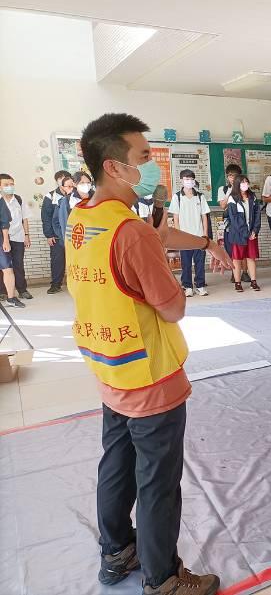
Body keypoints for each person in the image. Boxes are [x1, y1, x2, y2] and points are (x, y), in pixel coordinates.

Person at [69, 113, 231, 595]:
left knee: (115, 461)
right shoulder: (133, 233)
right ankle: (164, 579)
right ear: (116, 167)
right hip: (150, 376)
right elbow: (172, 307)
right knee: (158, 482)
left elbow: (150, 238)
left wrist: (206, 243)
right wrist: (168, 263)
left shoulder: (86, 218)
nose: (150, 166)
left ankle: (117, 552)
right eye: (143, 157)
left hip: (109, 366)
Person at [169, 170, 211, 297]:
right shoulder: (177, 197)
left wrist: (205, 234)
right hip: (184, 237)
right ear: (181, 180)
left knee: (200, 263)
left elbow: (204, 216)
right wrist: (178, 235)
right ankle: (187, 286)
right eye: (186, 179)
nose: (189, 181)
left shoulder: (200, 196)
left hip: (198, 236)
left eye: (191, 179)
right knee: (186, 264)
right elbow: (175, 218)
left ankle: (200, 285)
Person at [226, 175, 262, 293]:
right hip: (238, 234)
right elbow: (233, 218)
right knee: (237, 259)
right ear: (237, 184)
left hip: (251, 234)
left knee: (251, 258)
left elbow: (257, 215)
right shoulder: (232, 198)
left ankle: (254, 281)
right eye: (242, 182)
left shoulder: (253, 197)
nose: (245, 184)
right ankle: (237, 282)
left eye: (246, 182)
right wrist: (245, 232)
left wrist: (255, 230)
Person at [0, 174, 29, 305]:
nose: (9, 187)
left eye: (11, 184)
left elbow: (25, 219)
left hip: (17, 237)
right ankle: (4, 292)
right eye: (6, 184)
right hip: (3, 239)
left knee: (18, 265)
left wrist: (26, 236)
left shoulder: (19, 199)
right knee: (5, 267)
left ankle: (22, 290)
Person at [42, 169, 71, 294]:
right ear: (57, 181)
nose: (62, 180)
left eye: (65, 178)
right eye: (60, 178)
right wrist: (49, 235)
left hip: (74, 235)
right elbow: (46, 217)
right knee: (57, 260)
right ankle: (55, 284)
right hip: (57, 236)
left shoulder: (76, 195)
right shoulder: (51, 196)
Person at [217, 164, 248, 283]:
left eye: (235, 176)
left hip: (242, 223)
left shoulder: (244, 188)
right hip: (229, 223)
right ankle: (235, 272)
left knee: (244, 248)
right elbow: (223, 206)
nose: (232, 178)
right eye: (230, 176)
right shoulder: (223, 189)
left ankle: (245, 272)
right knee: (231, 249)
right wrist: (231, 191)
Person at [57, 171, 94, 242]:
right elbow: (65, 224)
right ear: (74, 184)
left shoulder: (96, 197)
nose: (86, 185)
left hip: (95, 237)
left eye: (88, 182)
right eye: (82, 183)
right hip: (77, 238)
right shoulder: (67, 201)